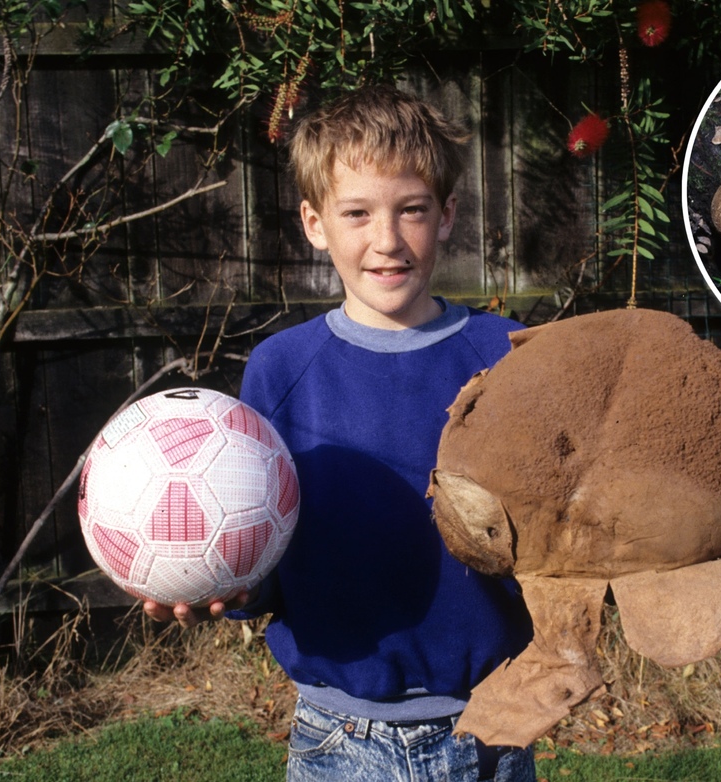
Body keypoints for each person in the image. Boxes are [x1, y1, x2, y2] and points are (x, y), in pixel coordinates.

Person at [144, 84, 536, 781]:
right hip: (340, 740)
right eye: (356, 213)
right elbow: (263, 553)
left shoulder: (504, 355)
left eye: (411, 210)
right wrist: (225, 583)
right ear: (315, 222)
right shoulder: (280, 371)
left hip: (492, 732)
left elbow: (555, 526)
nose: (386, 240)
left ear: (445, 215)